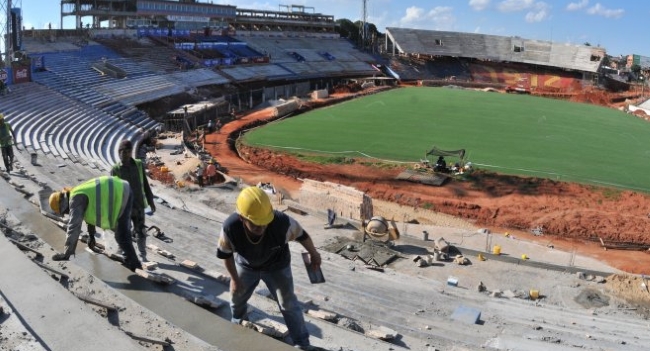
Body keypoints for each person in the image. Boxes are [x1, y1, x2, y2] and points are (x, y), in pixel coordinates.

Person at [217, 186, 321, 349]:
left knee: (288, 303)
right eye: (256, 224)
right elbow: (225, 255)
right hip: (246, 265)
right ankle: (239, 322)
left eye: (265, 223)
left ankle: (301, 343)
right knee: (237, 298)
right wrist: (235, 279)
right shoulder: (230, 228)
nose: (261, 228)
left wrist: (314, 254)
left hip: (277, 266)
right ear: (242, 218)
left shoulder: (281, 223)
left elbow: (302, 235)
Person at [48, 176, 143, 272]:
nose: (67, 213)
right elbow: (89, 213)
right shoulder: (77, 193)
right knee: (120, 233)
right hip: (119, 189)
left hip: (120, 193)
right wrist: (91, 235)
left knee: (121, 235)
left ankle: (135, 266)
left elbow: (74, 227)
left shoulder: (75, 199)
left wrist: (67, 253)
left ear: (62, 204)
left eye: (64, 211)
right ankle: (128, 259)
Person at [110, 139, 156, 262]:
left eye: (127, 151)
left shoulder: (139, 165)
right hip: (124, 207)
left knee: (140, 231)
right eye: (121, 152)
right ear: (118, 152)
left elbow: (145, 184)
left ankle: (143, 255)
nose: (124, 154)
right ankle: (122, 250)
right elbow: (113, 191)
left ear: (131, 152)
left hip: (139, 205)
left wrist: (150, 200)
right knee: (124, 231)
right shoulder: (115, 169)